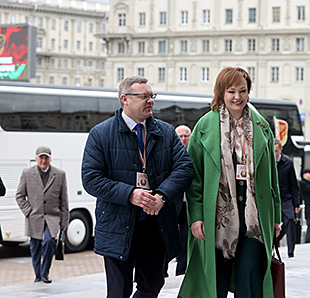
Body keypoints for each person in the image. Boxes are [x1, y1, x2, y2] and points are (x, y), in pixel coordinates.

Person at [81, 76, 194, 298]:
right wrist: (130, 194)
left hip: (155, 225)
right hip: (117, 225)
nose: (150, 101)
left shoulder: (166, 132)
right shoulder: (100, 134)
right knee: (118, 292)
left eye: (152, 96)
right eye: (143, 96)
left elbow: (185, 169)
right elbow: (91, 179)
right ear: (125, 99)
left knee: (152, 286)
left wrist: (162, 195)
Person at [180, 66, 281, 298]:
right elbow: (194, 179)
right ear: (221, 93)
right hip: (217, 218)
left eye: (243, 91)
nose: (238, 97)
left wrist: (276, 218)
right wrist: (195, 216)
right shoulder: (205, 126)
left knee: (251, 277)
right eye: (231, 91)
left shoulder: (262, 126)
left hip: (254, 218)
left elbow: (272, 179)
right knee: (216, 279)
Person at [16, 145, 69, 283]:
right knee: (35, 249)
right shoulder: (27, 173)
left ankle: (45, 273)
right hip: (34, 218)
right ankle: (37, 276)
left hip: (52, 218)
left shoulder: (60, 174)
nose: (43, 160)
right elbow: (20, 196)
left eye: (46, 157)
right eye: (41, 157)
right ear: (36, 158)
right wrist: (28, 211)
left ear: (50, 158)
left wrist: (64, 221)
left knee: (49, 242)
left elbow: (64, 200)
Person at [274, 140, 300, 258]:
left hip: (286, 198)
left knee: (290, 221)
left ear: (281, 150)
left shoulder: (288, 163)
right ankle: (274, 242)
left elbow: (294, 184)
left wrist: (297, 204)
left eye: (276, 151)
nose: (274, 154)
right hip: (273, 198)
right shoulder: (268, 163)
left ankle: (291, 252)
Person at [174, 125, 192, 276]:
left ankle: (181, 273)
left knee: (186, 241)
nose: (184, 139)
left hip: (189, 206)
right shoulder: (169, 154)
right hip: (173, 205)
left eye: (186, 136)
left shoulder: (195, 154)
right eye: (180, 136)